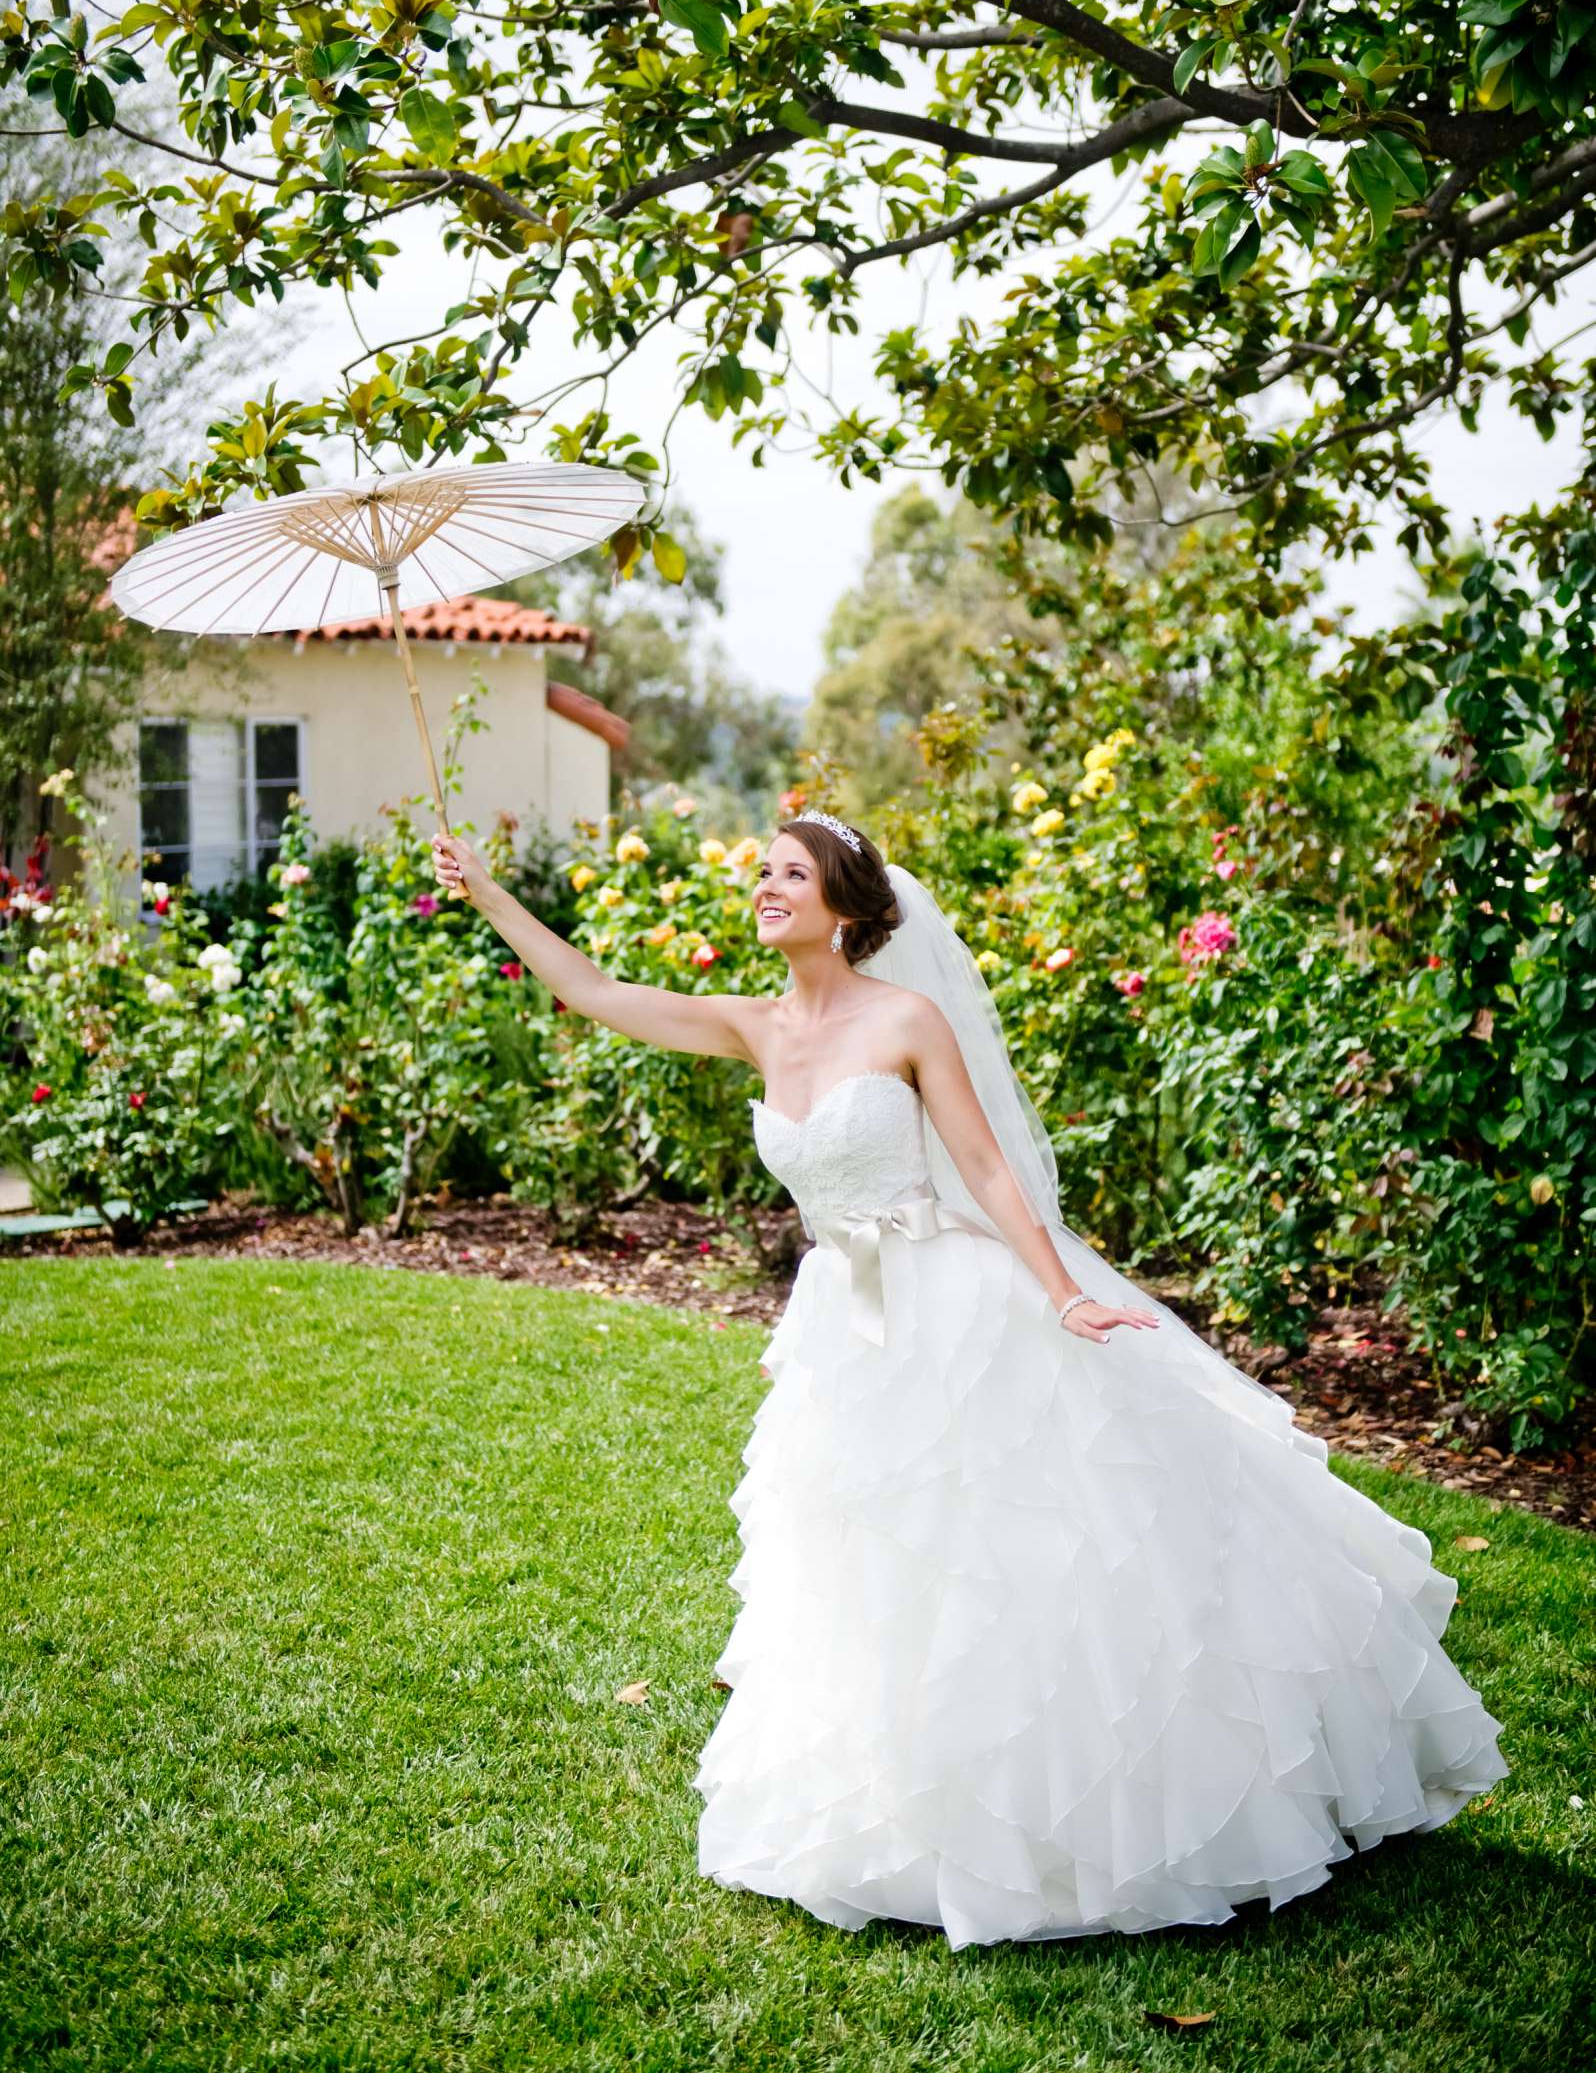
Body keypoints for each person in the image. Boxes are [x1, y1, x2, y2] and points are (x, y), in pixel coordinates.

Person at [431, 810, 1508, 1950]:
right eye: (762, 872)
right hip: (845, 1328)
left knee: (1011, 1554)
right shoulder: (752, 1025)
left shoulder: (907, 1018)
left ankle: (1086, 1811)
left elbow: (988, 1165)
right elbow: (602, 995)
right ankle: (903, 1804)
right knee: (872, 1570)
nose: (765, 886)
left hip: (953, 1307)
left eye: (790, 873)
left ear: (846, 903)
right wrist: (491, 893)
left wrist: (1059, 1290)